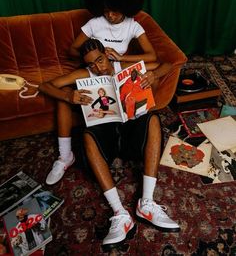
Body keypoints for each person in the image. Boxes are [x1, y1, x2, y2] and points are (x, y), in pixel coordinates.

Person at [39, 39, 180, 249]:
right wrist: (68, 95)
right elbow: (45, 85)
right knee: (86, 135)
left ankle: (147, 204)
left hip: (130, 129)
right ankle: (120, 213)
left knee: (153, 120)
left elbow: (167, 64)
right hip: (104, 131)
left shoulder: (121, 67)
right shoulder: (85, 75)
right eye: (92, 64)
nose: (99, 67)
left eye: (100, 60)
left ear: (107, 54)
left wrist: (154, 75)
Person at [45, 0, 173, 185]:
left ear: (126, 6)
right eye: (106, 11)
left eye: (114, 11)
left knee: (145, 85)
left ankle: (132, 134)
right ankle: (65, 155)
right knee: (64, 97)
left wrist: (122, 58)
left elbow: (154, 58)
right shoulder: (95, 23)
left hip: (115, 69)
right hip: (92, 73)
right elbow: (72, 50)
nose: (110, 16)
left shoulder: (133, 25)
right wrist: (94, 58)